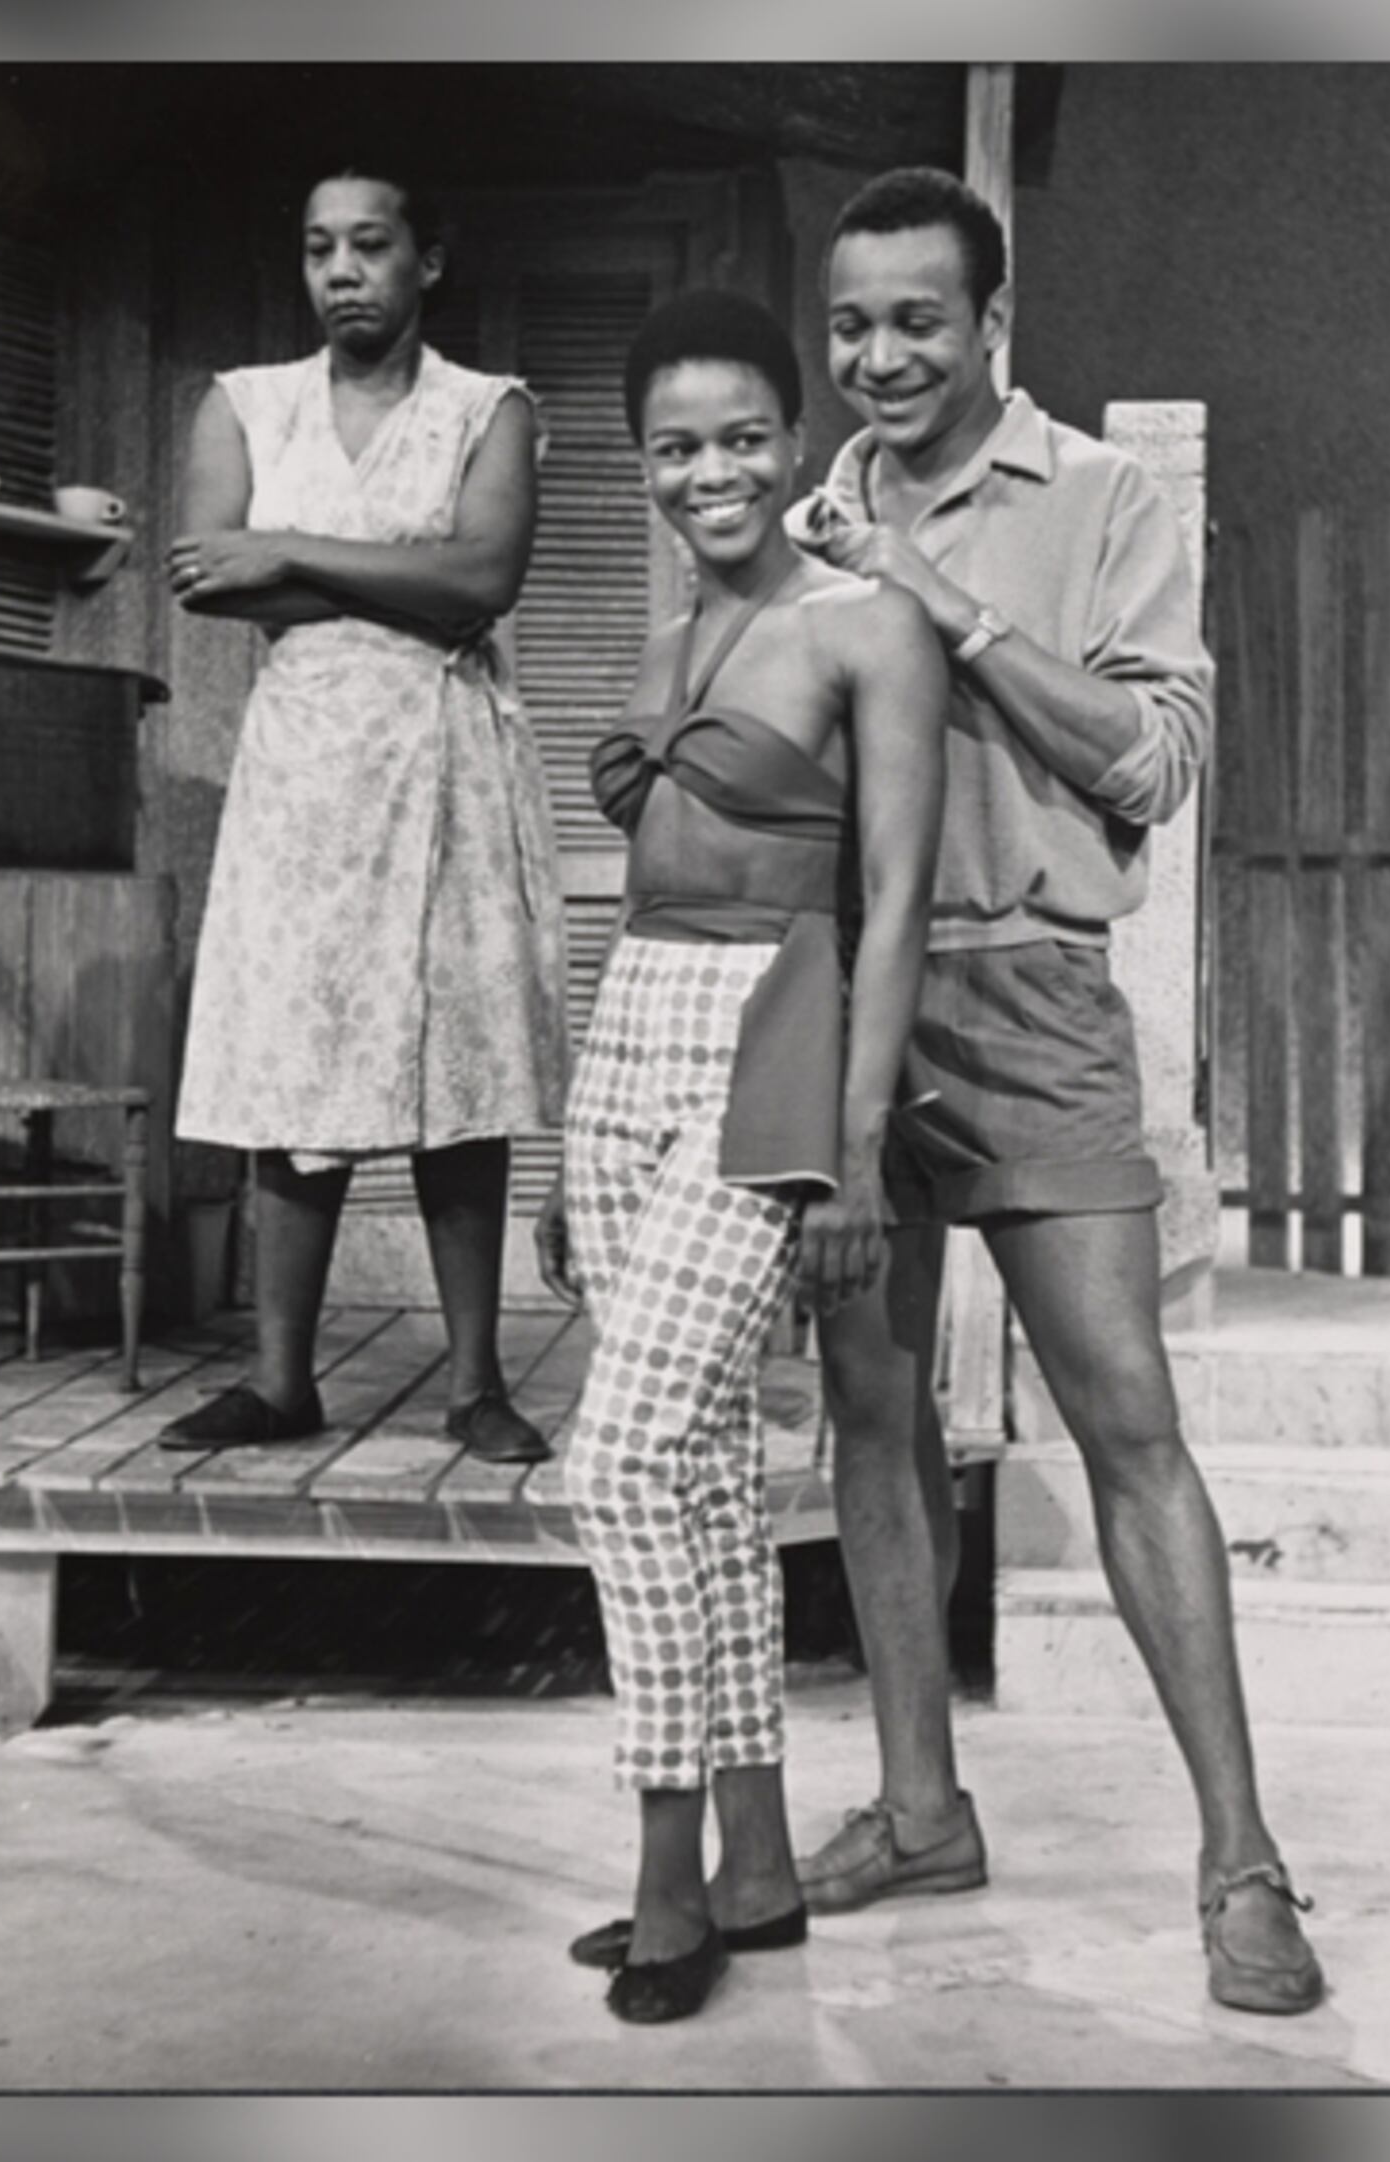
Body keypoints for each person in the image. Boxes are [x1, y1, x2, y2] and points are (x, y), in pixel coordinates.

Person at [787, 168, 1327, 2015]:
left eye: (917, 320)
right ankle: (922, 1806)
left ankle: (1243, 1861)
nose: (878, 356)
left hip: (1029, 990)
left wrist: (929, 599)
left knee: (1125, 1417)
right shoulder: (803, 512)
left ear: (992, 324)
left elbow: (1153, 762)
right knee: (869, 1416)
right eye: (851, 322)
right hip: (848, 999)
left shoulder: (1098, 496)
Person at [534, 289, 945, 2024]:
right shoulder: (667, 630)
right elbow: (638, 888)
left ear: (797, 439)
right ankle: (761, 1856)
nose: (712, 470)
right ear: (644, 466)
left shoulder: (866, 628)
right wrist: (572, 1133)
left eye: (741, 437)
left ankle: (662, 1874)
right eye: (674, 446)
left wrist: (854, 1150)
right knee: (693, 1472)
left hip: (774, 1042)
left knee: (612, 1462)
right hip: (630, 1032)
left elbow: (899, 899)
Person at [162, 170, 570, 1465]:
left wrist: (292, 553)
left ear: (427, 261)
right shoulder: (243, 405)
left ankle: (475, 1380)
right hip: (300, 774)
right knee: (298, 1065)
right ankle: (282, 1380)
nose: (343, 270)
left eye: (372, 245)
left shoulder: (486, 411)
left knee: (458, 1068)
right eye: (319, 248)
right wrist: (384, 572)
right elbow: (207, 581)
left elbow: (481, 581)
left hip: (447, 760)